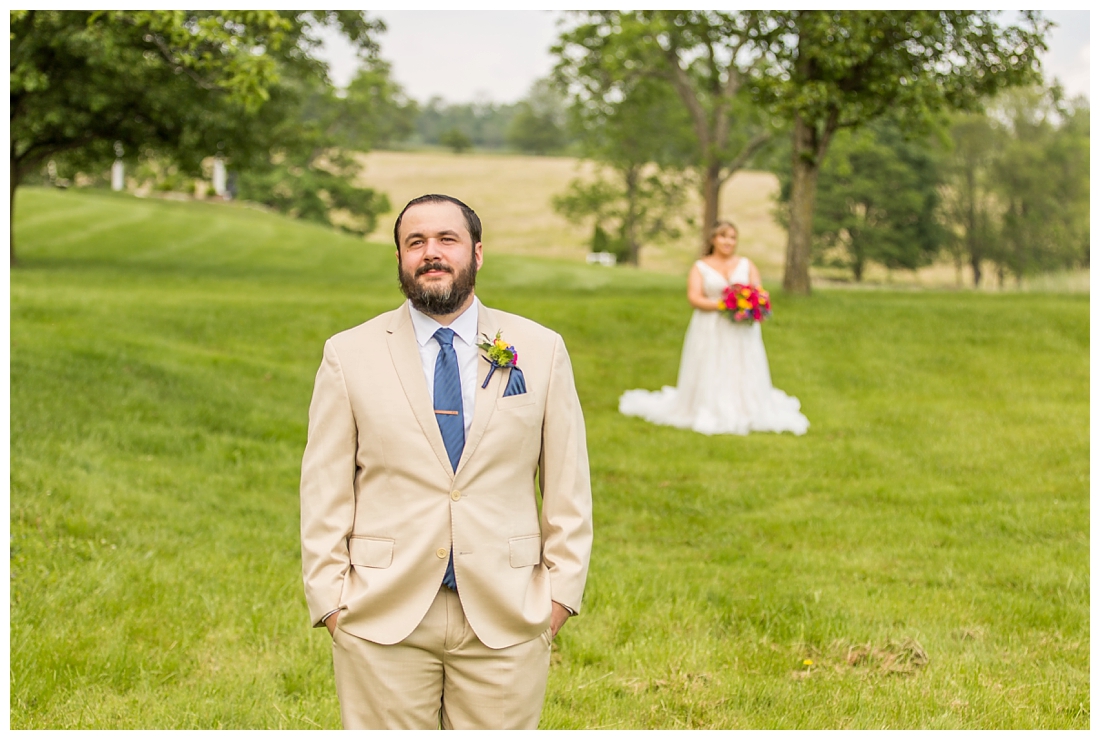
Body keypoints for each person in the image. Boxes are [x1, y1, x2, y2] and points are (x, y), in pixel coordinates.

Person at [300, 194, 593, 729]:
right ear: (399, 259)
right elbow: (325, 489)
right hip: (381, 614)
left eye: (446, 240)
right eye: (415, 243)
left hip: (508, 611)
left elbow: (567, 484)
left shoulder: (540, 348)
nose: (431, 253)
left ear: (477, 253)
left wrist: (559, 598)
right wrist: (332, 603)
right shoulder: (348, 354)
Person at [619, 220, 809, 435]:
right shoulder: (701, 266)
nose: (728, 241)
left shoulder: (746, 264)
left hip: (741, 328)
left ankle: (745, 407)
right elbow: (694, 297)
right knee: (712, 365)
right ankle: (709, 406)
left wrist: (753, 307)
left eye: (733, 237)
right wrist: (725, 305)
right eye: (723, 236)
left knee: (741, 364)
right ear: (713, 239)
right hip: (709, 327)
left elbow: (760, 293)